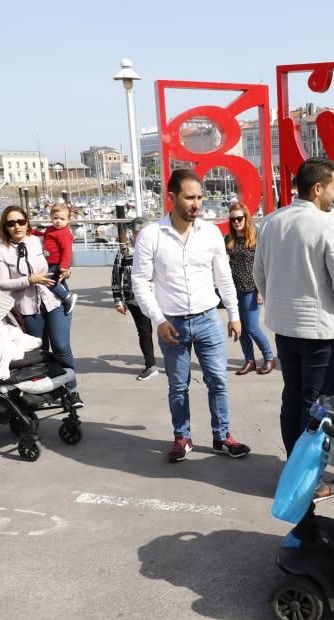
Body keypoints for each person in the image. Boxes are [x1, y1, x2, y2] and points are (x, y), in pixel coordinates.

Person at [254, 157, 334, 500]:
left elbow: (260, 274)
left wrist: (277, 304)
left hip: (285, 329)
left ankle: (294, 467)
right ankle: (308, 481)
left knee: (294, 399)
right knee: (317, 407)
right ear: (317, 188)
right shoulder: (330, 226)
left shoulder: (271, 222)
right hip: (322, 333)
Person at [131, 169, 250, 462]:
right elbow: (140, 282)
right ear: (171, 198)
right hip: (172, 323)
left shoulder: (210, 232)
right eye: (189, 197)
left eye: (199, 197)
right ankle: (182, 437)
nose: (196, 204)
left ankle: (222, 436)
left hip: (208, 318)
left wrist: (234, 315)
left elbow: (224, 278)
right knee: (178, 386)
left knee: (218, 381)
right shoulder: (151, 235)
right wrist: (158, 320)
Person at [0, 206, 83, 407]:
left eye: (21, 221)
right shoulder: (1, 251)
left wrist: (67, 271)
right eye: (11, 223)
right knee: (39, 350)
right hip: (27, 307)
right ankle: (45, 393)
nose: (17, 226)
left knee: (61, 346)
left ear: (27, 223)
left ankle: (72, 390)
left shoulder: (38, 240)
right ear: (4, 227)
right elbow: (2, 283)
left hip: (53, 300)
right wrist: (29, 280)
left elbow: (61, 253)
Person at [224, 202, 275, 376]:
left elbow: (265, 266)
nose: (236, 222)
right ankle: (249, 361)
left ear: (246, 218)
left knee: (252, 328)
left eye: (239, 218)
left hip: (251, 289)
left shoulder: (256, 238)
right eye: (233, 219)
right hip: (233, 290)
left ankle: (269, 358)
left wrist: (261, 290)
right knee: (241, 329)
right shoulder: (228, 240)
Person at [111, 217, 158, 381]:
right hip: (134, 298)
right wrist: (118, 299)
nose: (137, 234)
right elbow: (116, 275)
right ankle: (150, 365)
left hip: (160, 297)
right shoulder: (125, 250)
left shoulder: (157, 247)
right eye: (136, 231)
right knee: (144, 331)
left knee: (169, 329)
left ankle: (175, 363)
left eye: (141, 231)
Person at [31, 202, 77, 314]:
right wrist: (32, 232)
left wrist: (64, 266)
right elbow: (44, 235)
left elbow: (67, 250)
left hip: (58, 263)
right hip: (50, 262)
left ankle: (67, 297)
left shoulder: (64, 233)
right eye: (55, 218)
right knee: (59, 282)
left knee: (49, 281)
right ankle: (67, 297)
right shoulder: (51, 229)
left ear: (68, 220)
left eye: (62, 219)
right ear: (51, 218)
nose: (58, 221)